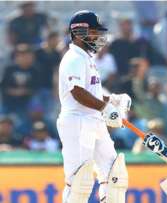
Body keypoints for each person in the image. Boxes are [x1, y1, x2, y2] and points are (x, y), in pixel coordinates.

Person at [56, 10, 131, 203]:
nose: (99, 37)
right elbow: (77, 92)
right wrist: (106, 109)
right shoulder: (73, 58)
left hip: (93, 120)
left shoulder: (87, 58)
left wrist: (112, 100)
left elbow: (92, 93)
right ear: (80, 32)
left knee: (114, 176)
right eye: (95, 32)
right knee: (79, 183)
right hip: (77, 122)